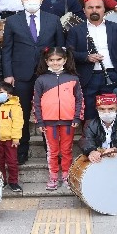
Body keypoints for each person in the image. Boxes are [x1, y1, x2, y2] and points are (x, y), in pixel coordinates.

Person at [2, 0, 65, 165]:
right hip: (20, 75)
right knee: (21, 114)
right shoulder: (12, 21)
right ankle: (21, 150)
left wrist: (59, 71)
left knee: (49, 114)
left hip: (48, 74)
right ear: (21, 0)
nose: (31, 0)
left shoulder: (53, 20)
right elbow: (7, 49)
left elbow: (60, 48)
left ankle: (51, 150)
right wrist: (8, 74)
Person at [66, 0, 117, 121]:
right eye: (90, 7)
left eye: (98, 7)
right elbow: (69, 54)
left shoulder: (116, 28)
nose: (94, 10)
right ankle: (91, 140)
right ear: (84, 10)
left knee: (111, 112)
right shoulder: (76, 30)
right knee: (89, 113)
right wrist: (86, 57)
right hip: (87, 78)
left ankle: (110, 140)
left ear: (104, 10)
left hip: (112, 75)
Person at [32, 47, 83, 191]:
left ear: (65, 60)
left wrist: (77, 117)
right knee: (53, 151)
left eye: (58, 59)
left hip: (68, 121)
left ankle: (66, 176)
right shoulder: (41, 80)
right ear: (46, 61)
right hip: (49, 122)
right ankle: (53, 177)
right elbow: (36, 102)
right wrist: (40, 121)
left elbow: (79, 100)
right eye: (52, 60)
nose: (55, 63)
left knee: (66, 150)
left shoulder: (73, 79)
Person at [78, 94, 117, 162]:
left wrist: (115, 149)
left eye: (111, 109)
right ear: (97, 109)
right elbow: (86, 140)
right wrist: (92, 152)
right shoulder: (90, 124)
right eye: (102, 109)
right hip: (99, 160)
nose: (106, 112)